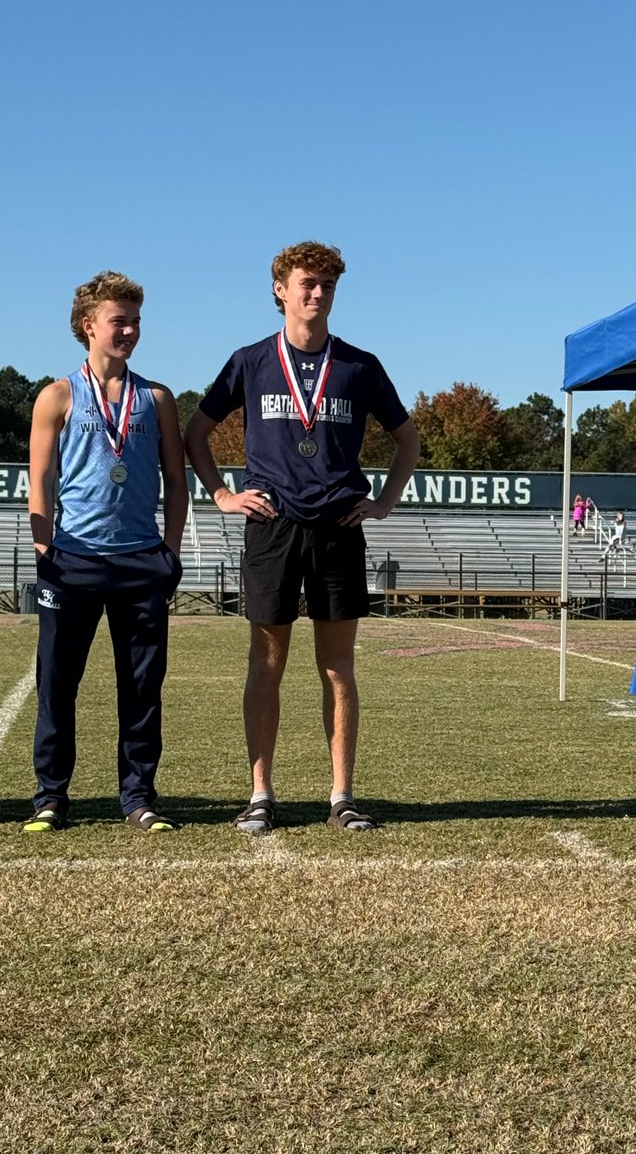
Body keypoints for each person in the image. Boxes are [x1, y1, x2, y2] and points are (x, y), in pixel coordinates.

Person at [184, 241, 419, 835]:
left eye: (327, 285)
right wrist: (222, 493)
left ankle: (342, 795)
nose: (318, 293)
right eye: (307, 283)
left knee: (337, 668)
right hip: (273, 526)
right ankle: (260, 793)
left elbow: (408, 439)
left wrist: (384, 502)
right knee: (267, 664)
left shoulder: (359, 366)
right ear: (280, 290)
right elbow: (196, 431)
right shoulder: (250, 361)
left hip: (338, 527)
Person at [25, 271, 187, 833]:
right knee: (57, 683)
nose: (130, 331)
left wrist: (169, 552)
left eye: (136, 321)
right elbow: (40, 481)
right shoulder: (57, 396)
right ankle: (51, 796)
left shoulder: (157, 399)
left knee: (141, 687)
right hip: (72, 561)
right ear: (88, 325)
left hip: (141, 562)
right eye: (120, 321)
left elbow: (176, 480)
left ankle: (138, 797)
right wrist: (45, 550)